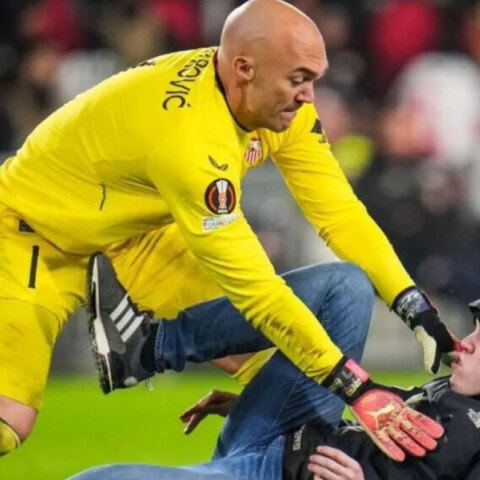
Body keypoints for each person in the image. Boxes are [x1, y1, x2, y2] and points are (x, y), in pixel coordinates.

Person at [0, 0, 456, 457]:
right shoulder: (190, 139)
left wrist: (414, 306)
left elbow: (339, 214)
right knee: (12, 422)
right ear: (244, 69)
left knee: (272, 368)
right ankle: (145, 346)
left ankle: (145, 351)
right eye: (298, 79)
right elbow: (257, 292)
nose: (309, 96)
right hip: (34, 228)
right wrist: (357, 389)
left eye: (314, 79)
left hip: (136, 231)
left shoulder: (275, 100)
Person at [67, 301, 480, 480]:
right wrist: (249, 404)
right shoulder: (452, 392)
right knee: (345, 286)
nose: (466, 343)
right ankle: (153, 345)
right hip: (289, 428)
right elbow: (376, 420)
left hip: (277, 473)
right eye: (474, 331)